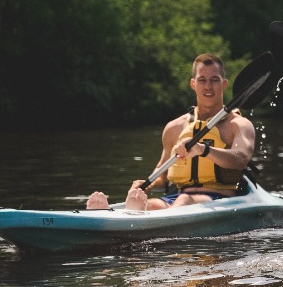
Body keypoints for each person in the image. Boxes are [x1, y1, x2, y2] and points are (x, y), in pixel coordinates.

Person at [86, 53, 255, 211]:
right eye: (202, 80)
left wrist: (203, 150)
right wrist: (148, 184)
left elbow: (240, 160)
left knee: (184, 201)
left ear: (224, 84)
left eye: (214, 80)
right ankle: (113, 217)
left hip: (221, 198)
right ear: (193, 84)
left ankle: (150, 223)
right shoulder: (175, 127)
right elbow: (163, 175)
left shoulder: (239, 124)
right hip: (178, 196)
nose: (208, 86)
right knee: (146, 204)